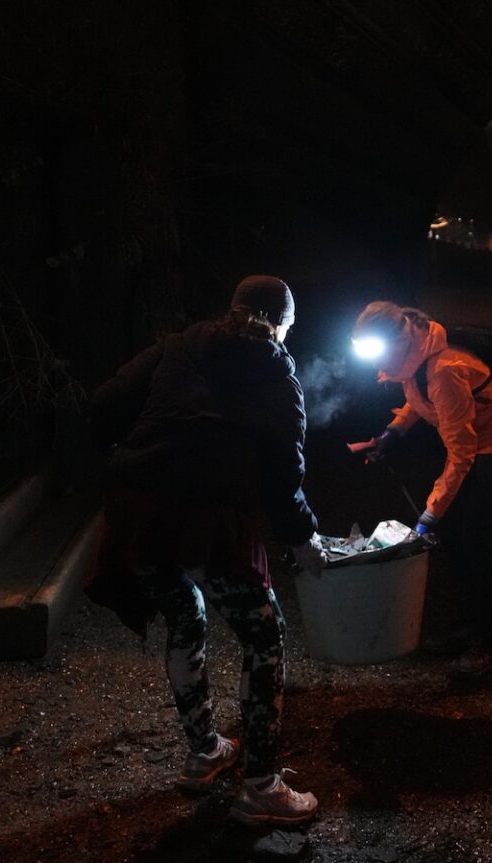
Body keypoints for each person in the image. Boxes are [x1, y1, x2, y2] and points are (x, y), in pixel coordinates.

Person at [87, 275, 322, 827]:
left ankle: (205, 752)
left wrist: (132, 455)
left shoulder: (179, 345)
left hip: (136, 511)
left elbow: (103, 404)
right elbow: (285, 474)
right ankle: (261, 786)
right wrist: (303, 538)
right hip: (207, 518)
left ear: (233, 308)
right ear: (282, 323)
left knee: (185, 617)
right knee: (264, 635)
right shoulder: (275, 370)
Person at [349, 301, 492, 677]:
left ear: (395, 342)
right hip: (476, 437)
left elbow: (461, 455)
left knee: (476, 538)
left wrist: (428, 514)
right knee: (454, 534)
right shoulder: (413, 353)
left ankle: (490, 645)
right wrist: (392, 432)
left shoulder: (444, 371)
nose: (374, 364)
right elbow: (417, 398)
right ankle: (469, 626)